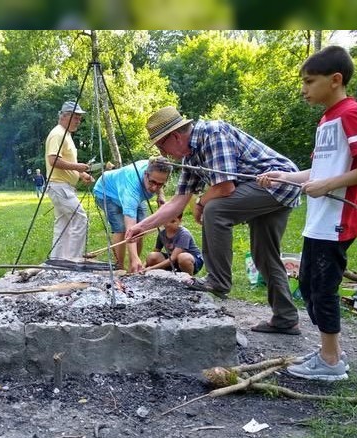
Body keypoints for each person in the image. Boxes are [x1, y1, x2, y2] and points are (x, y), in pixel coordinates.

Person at [258, 46, 357, 381]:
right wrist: (283, 176)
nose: (303, 89)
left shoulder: (350, 112)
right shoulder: (327, 119)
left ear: (335, 80)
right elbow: (318, 171)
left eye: (309, 81)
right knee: (308, 284)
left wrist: (328, 183)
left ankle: (331, 363)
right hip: (319, 221)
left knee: (323, 289)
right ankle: (330, 352)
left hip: (338, 222)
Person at [127, 106, 302, 336]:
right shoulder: (190, 155)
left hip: (280, 183)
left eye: (161, 144)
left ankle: (218, 280)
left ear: (176, 136)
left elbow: (225, 187)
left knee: (215, 209)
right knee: (264, 254)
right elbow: (177, 202)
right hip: (264, 192)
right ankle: (286, 318)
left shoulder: (213, 134)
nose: (162, 151)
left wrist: (201, 203)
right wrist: (141, 227)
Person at [92, 157, 173, 273]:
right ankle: (119, 267)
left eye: (160, 184)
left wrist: (161, 195)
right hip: (107, 192)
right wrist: (135, 257)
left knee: (141, 229)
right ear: (145, 174)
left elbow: (139, 229)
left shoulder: (155, 165)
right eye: (152, 182)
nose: (155, 187)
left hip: (133, 194)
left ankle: (133, 267)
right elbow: (131, 228)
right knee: (120, 228)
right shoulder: (131, 189)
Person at [45, 100, 94, 260]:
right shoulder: (58, 134)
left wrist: (81, 174)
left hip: (62, 186)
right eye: (76, 118)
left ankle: (58, 260)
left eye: (79, 118)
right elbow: (53, 160)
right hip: (59, 186)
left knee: (63, 224)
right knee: (80, 218)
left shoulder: (65, 135)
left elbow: (65, 161)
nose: (78, 121)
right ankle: (74, 259)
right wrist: (78, 167)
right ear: (64, 116)